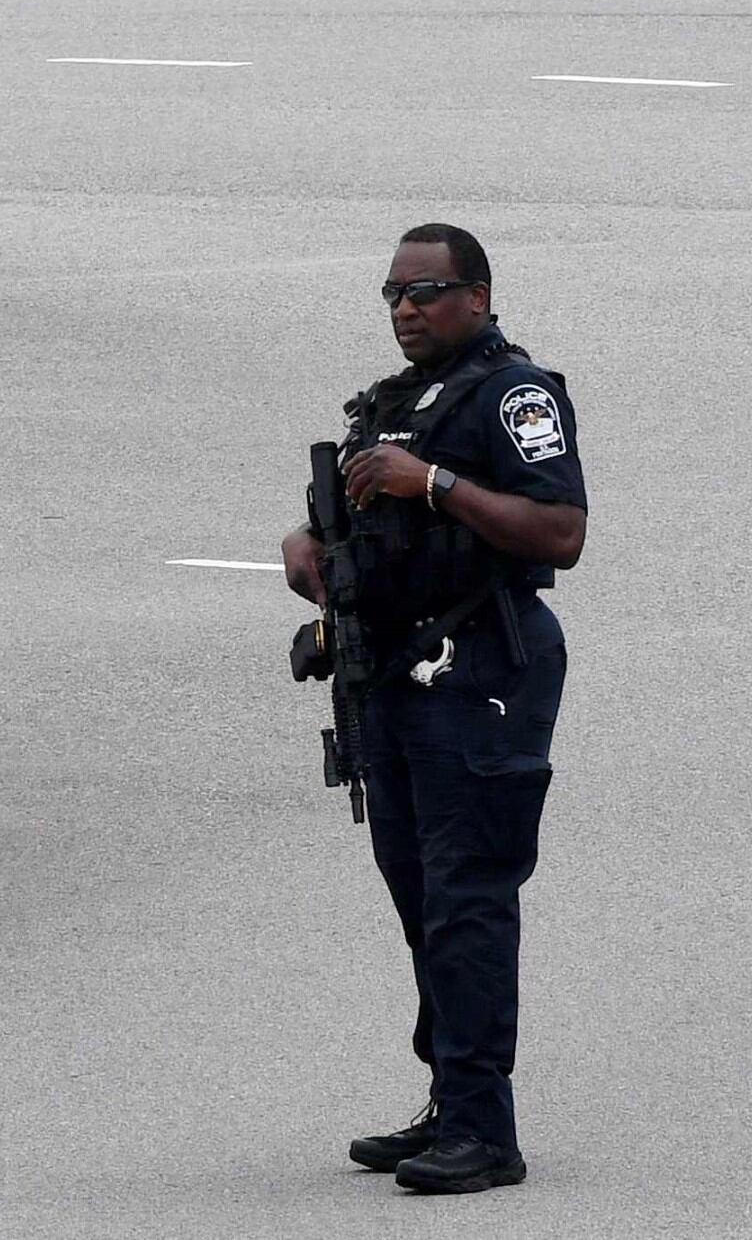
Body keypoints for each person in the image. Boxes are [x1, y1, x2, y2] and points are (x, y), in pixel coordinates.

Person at [282, 222, 588, 1197]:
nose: (406, 309)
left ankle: (485, 1132)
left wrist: (437, 483)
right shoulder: (391, 404)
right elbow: (360, 527)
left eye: (427, 291)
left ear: (480, 297)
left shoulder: (515, 396)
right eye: (393, 295)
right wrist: (309, 549)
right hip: (396, 682)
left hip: (485, 670)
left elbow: (562, 529)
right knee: (420, 899)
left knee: (467, 901)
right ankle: (450, 1104)